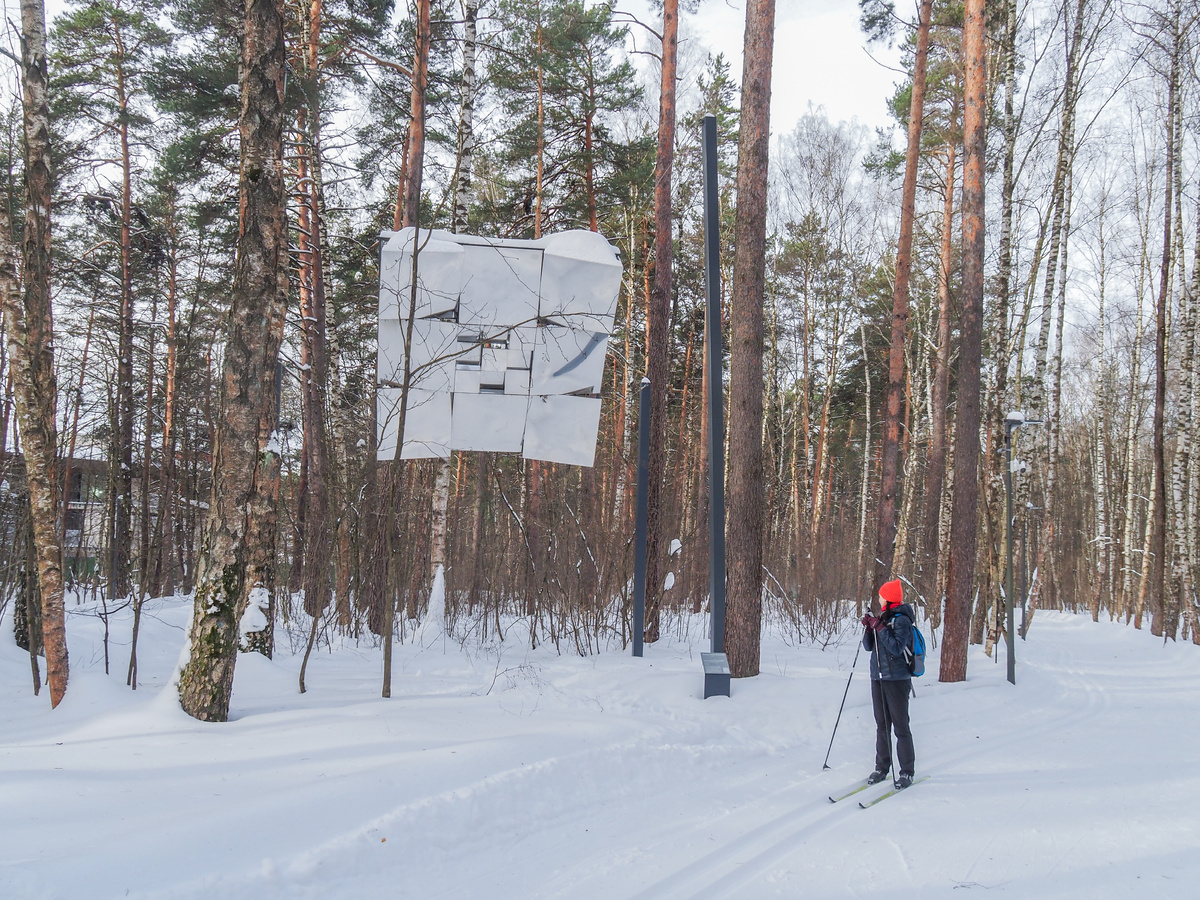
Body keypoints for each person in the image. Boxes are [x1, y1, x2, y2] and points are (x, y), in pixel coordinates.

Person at [861, 578, 916, 789]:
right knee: (881, 726)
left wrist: (881, 628)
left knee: (901, 727)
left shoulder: (902, 620)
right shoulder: (882, 617)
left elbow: (895, 647)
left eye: (881, 595)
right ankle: (881, 767)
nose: (879, 598)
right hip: (878, 677)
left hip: (897, 679)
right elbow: (868, 647)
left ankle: (906, 772)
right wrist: (869, 628)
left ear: (889, 598)